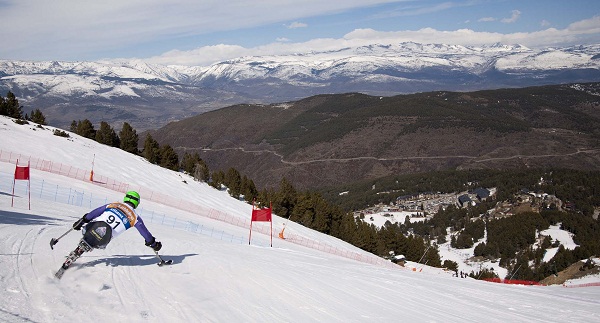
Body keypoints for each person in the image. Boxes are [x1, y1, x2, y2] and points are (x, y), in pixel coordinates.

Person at [58, 191, 161, 274]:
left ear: (126, 198)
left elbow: (95, 212)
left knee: (89, 236)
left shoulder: (114, 204)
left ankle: (72, 258)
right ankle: (76, 256)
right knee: (95, 241)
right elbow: (145, 234)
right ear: (137, 203)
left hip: (91, 228)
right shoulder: (135, 218)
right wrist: (153, 243)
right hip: (104, 239)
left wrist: (82, 221)